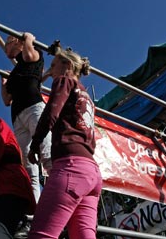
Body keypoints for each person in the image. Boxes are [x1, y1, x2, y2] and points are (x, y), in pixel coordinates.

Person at [27, 48, 102, 239]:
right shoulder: (86, 96)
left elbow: (50, 113)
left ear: (67, 65)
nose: (50, 71)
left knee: (41, 234)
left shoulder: (64, 81)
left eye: (53, 66)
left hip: (71, 167)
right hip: (91, 172)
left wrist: (34, 144)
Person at [0, 33, 52, 202]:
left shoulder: (34, 54)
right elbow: (6, 100)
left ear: (18, 42)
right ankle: (35, 210)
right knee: (29, 168)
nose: (6, 47)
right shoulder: (15, 72)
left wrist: (28, 38)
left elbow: (29, 55)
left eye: (9, 42)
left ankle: (60, 202)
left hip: (33, 107)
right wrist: (3, 84)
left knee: (46, 154)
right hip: (18, 115)